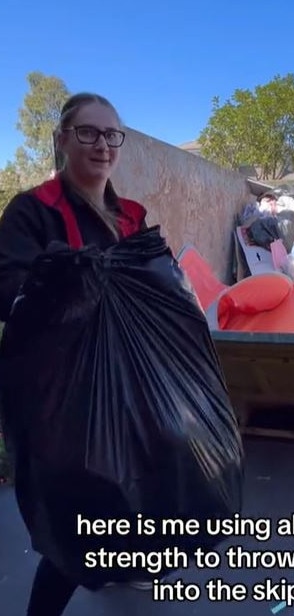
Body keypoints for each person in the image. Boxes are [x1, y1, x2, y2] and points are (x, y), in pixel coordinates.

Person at [0, 93, 154, 615]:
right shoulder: (32, 211)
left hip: (125, 387)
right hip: (59, 397)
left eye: (112, 135)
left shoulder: (131, 216)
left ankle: (117, 565)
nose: (103, 145)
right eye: (88, 132)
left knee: (128, 490)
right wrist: (63, 279)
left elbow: (155, 286)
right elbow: (6, 289)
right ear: (62, 139)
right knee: (73, 524)